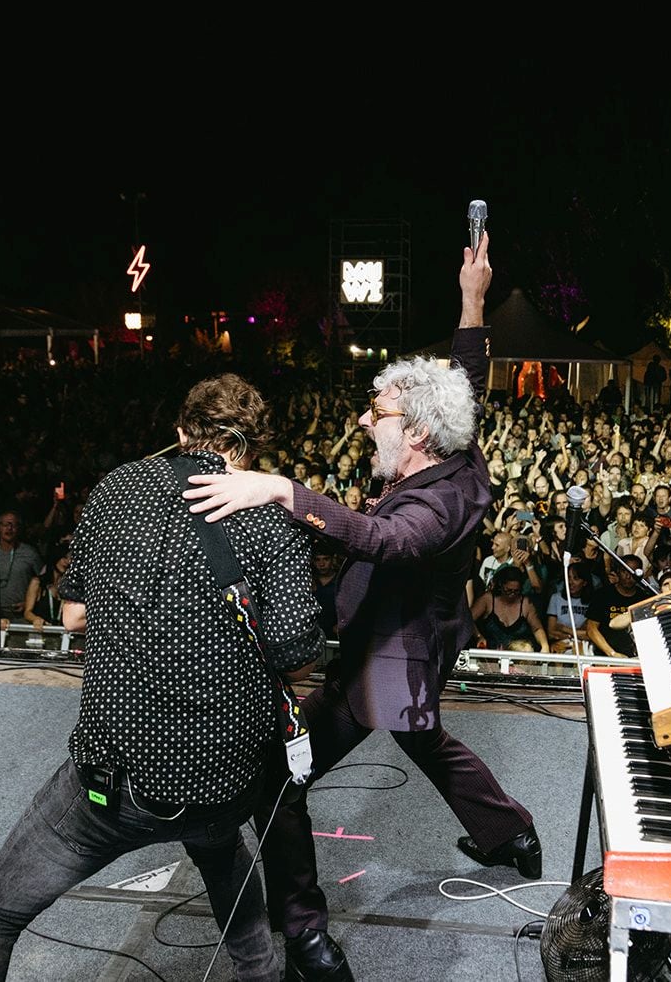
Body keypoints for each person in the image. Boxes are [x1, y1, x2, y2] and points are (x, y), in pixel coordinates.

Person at [183, 234, 538, 982]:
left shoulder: (441, 503)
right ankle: (511, 835)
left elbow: (382, 535)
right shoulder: (457, 444)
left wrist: (281, 490)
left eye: (374, 411)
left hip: (395, 647)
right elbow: (466, 375)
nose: (361, 421)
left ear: (413, 432)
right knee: (420, 736)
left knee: (285, 770)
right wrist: (473, 298)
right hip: (402, 636)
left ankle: (305, 932)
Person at [0, 373, 322, 982]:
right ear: (252, 449)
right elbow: (298, 655)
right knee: (221, 849)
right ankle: (258, 968)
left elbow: (73, 614)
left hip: (116, 780)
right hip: (225, 775)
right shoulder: (273, 522)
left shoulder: (116, 490)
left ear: (179, 433)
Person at [469, 565, 549, 652]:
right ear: (501, 586)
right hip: (490, 655)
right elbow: (468, 619)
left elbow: (537, 629)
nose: (512, 594)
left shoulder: (525, 603)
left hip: (518, 656)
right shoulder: (488, 599)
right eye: (508, 590)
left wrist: (544, 646)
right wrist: (479, 636)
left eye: (516, 591)